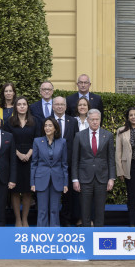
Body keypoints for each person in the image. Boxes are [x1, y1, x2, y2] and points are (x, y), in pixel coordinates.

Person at [72, 109, 115, 227]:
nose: (95, 122)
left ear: (100, 120)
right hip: (84, 178)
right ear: (88, 120)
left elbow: (111, 159)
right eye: (92, 120)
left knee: (100, 209)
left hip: (102, 178)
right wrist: (75, 179)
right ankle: (87, 233)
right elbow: (75, 159)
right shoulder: (79, 135)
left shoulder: (108, 135)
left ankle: (99, 233)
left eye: (97, 119)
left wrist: (111, 178)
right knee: (85, 210)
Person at [4, 96, 37, 227]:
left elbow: (38, 139)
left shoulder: (35, 122)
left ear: (27, 106)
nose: (22, 106)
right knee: (15, 191)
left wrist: (29, 153)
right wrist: (18, 153)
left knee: (28, 191)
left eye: (24, 104)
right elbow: (7, 140)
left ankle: (25, 219)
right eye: (19, 104)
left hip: (30, 158)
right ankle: (18, 219)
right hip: (14, 159)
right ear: (15, 107)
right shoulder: (9, 122)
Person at [30, 117, 68, 227]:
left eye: (50, 125)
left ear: (55, 128)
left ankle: (55, 233)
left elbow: (64, 164)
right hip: (41, 178)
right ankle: (42, 234)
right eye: (45, 125)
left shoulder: (62, 142)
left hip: (57, 179)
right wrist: (32, 182)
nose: (47, 127)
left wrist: (65, 183)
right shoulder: (37, 141)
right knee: (42, 210)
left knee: (54, 210)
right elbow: (34, 163)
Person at [51, 96, 80, 226]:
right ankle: (53, 220)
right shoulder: (48, 121)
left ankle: (66, 219)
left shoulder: (72, 121)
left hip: (68, 164)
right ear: (52, 106)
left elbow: (76, 142)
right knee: (53, 194)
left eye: (62, 104)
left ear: (66, 106)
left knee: (68, 194)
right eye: (57, 104)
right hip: (51, 165)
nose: (59, 106)